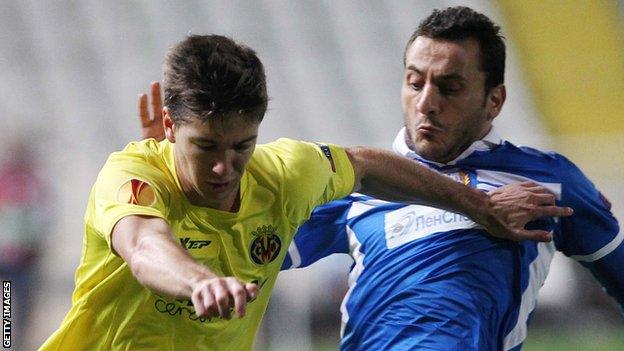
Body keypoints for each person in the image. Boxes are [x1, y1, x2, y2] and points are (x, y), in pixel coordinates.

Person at [39, 34, 567, 351]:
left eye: (242, 145)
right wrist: (200, 282)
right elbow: (144, 246)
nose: (226, 167)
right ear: (171, 126)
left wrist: (479, 206)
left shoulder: (283, 173)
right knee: (6, 314)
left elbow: (363, 167)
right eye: (205, 147)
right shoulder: (129, 176)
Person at [278, 6, 622, 351]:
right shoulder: (360, 183)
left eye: (450, 88)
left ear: (494, 101)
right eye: (415, 83)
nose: (426, 103)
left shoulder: (550, 182)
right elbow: (257, 252)